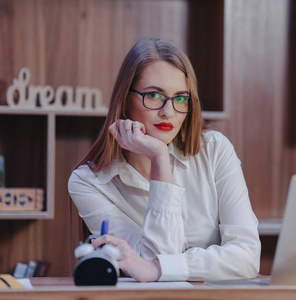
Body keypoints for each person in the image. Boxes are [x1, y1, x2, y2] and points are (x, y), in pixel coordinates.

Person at [68, 38, 261, 282]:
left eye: (180, 98)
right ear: (125, 100)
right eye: (154, 95)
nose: (168, 111)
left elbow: (247, 256)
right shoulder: (88, 182)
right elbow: (148, 259)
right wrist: (159, 158)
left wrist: (158, 268)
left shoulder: (215, 150)